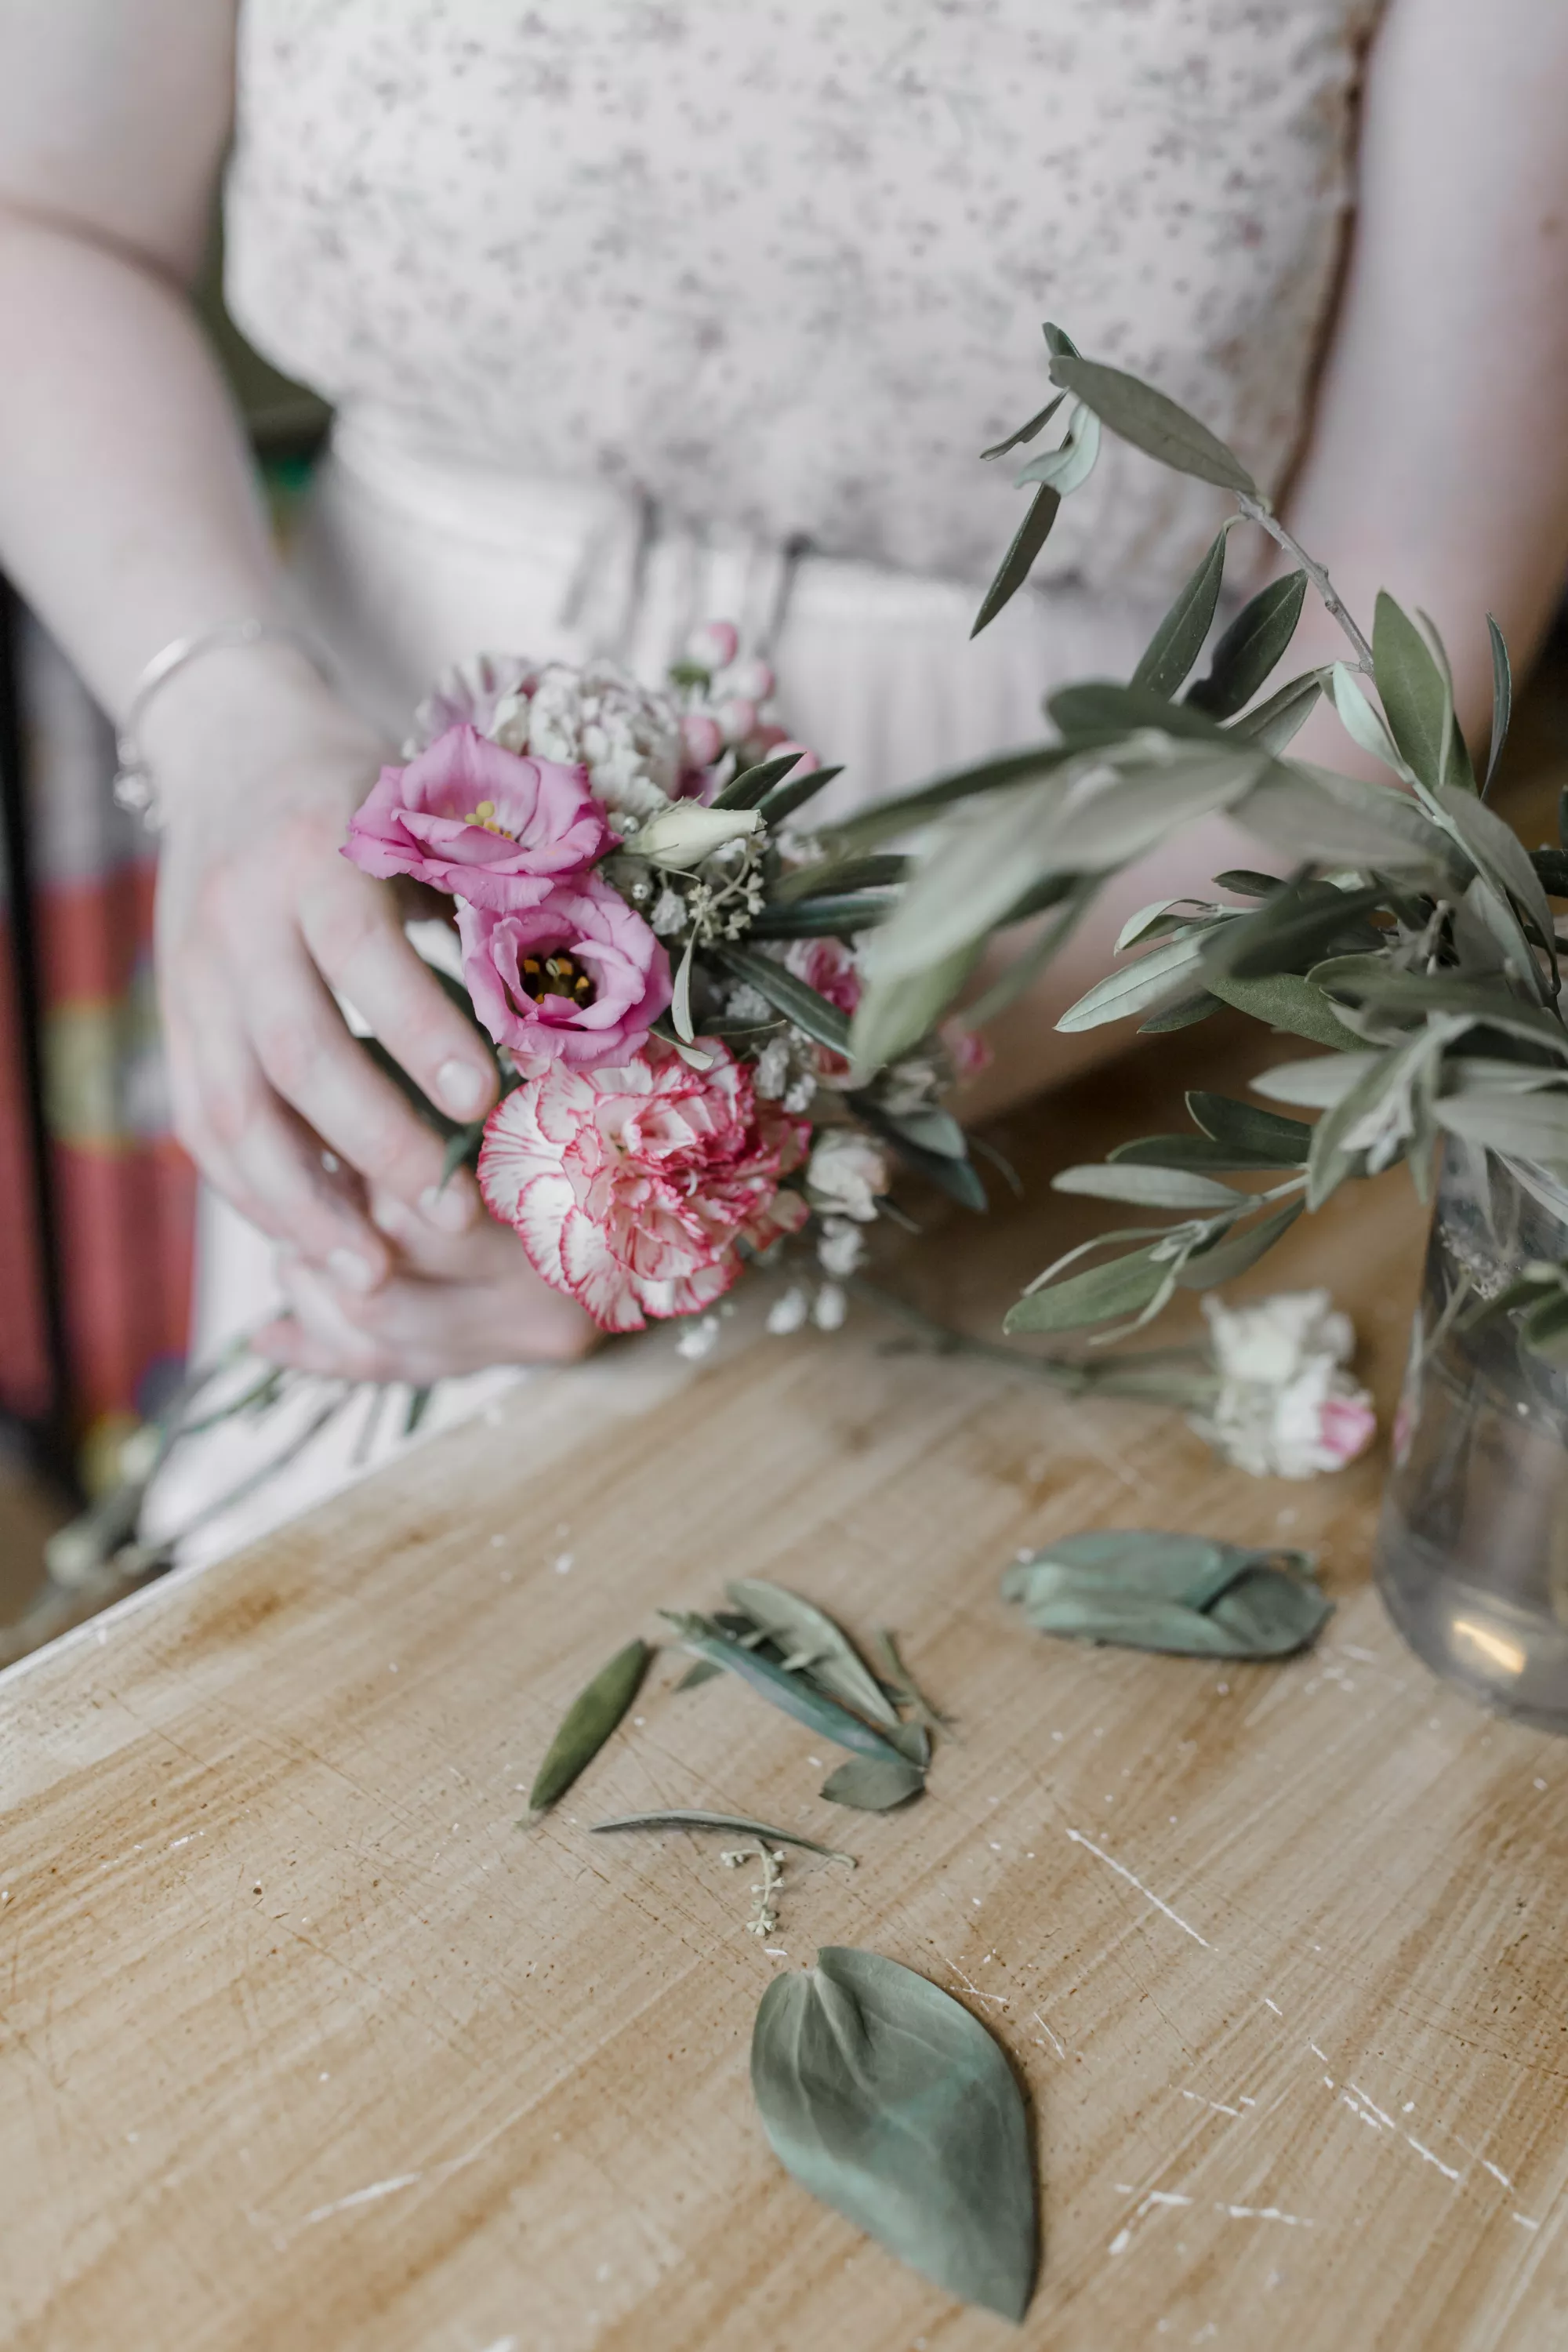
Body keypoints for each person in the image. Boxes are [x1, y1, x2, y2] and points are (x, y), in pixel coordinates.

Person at [0, 0, 1565, 1460]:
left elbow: (1406, 620)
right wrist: (218, 708)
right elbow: (41, 224)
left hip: (1086, 985)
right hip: (361, 882)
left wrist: (833, 1099)